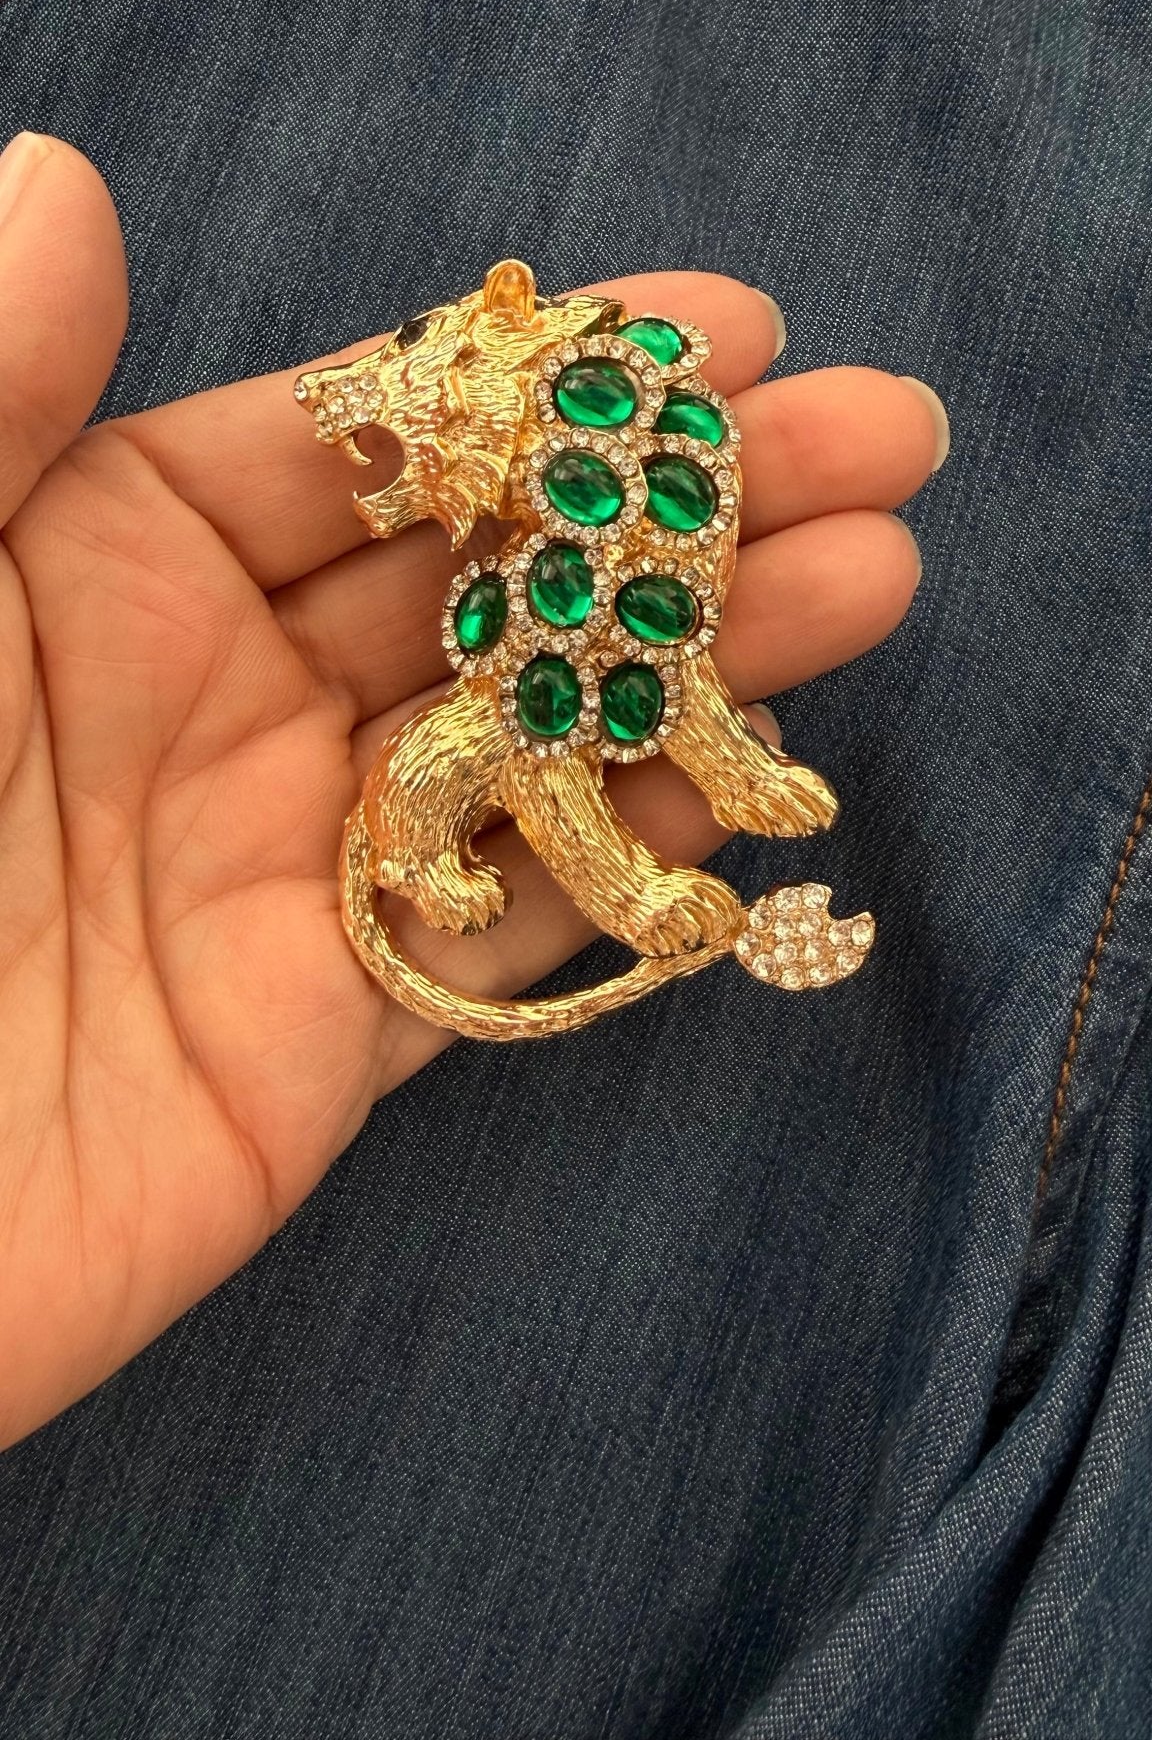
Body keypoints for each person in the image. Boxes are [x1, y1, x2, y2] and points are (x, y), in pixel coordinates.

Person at [0, 127, 939, 1446]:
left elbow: (658, 654)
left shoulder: (613, 448)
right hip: (506, 713)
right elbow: (547, 733)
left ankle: (696, 789)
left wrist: (709, 755)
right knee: (512, 733)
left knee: (629, 670)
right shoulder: (518, 528)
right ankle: (443, 847)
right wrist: (632, 896)